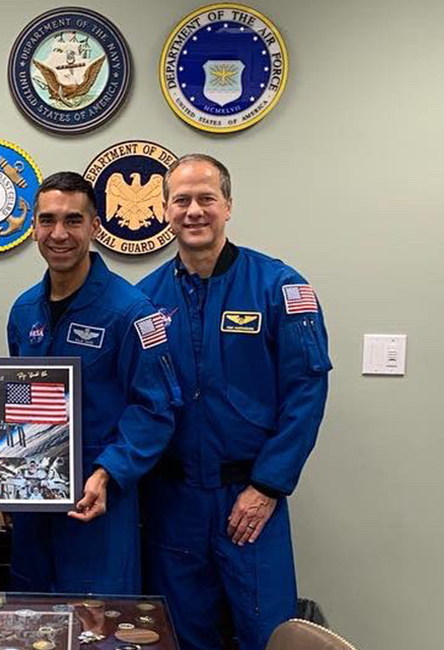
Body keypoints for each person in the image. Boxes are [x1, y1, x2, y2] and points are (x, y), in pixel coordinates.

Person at [135, 154, 333, 650]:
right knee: (180, 635)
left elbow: (306, 392)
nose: (194, 210)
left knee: (265, 634)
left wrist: (267, 485)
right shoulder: (143, 299)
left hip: (249, 498)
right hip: (173, 500)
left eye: (207, 198)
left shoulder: (279, 288)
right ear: (164, 210)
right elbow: (134, 400)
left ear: (228, 207)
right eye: (181, 200)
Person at [5, 171, 179, 594]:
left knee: (96, 625)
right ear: (33, 228)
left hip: (97, 501)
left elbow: (154, 410)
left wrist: (107, 473)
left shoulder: (131, 312)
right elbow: (17, 400)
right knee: (28, 621)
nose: (58, 233)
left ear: (94, 227)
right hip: (32, 500)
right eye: (47, 220)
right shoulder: (24, 309)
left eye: (72, 220)